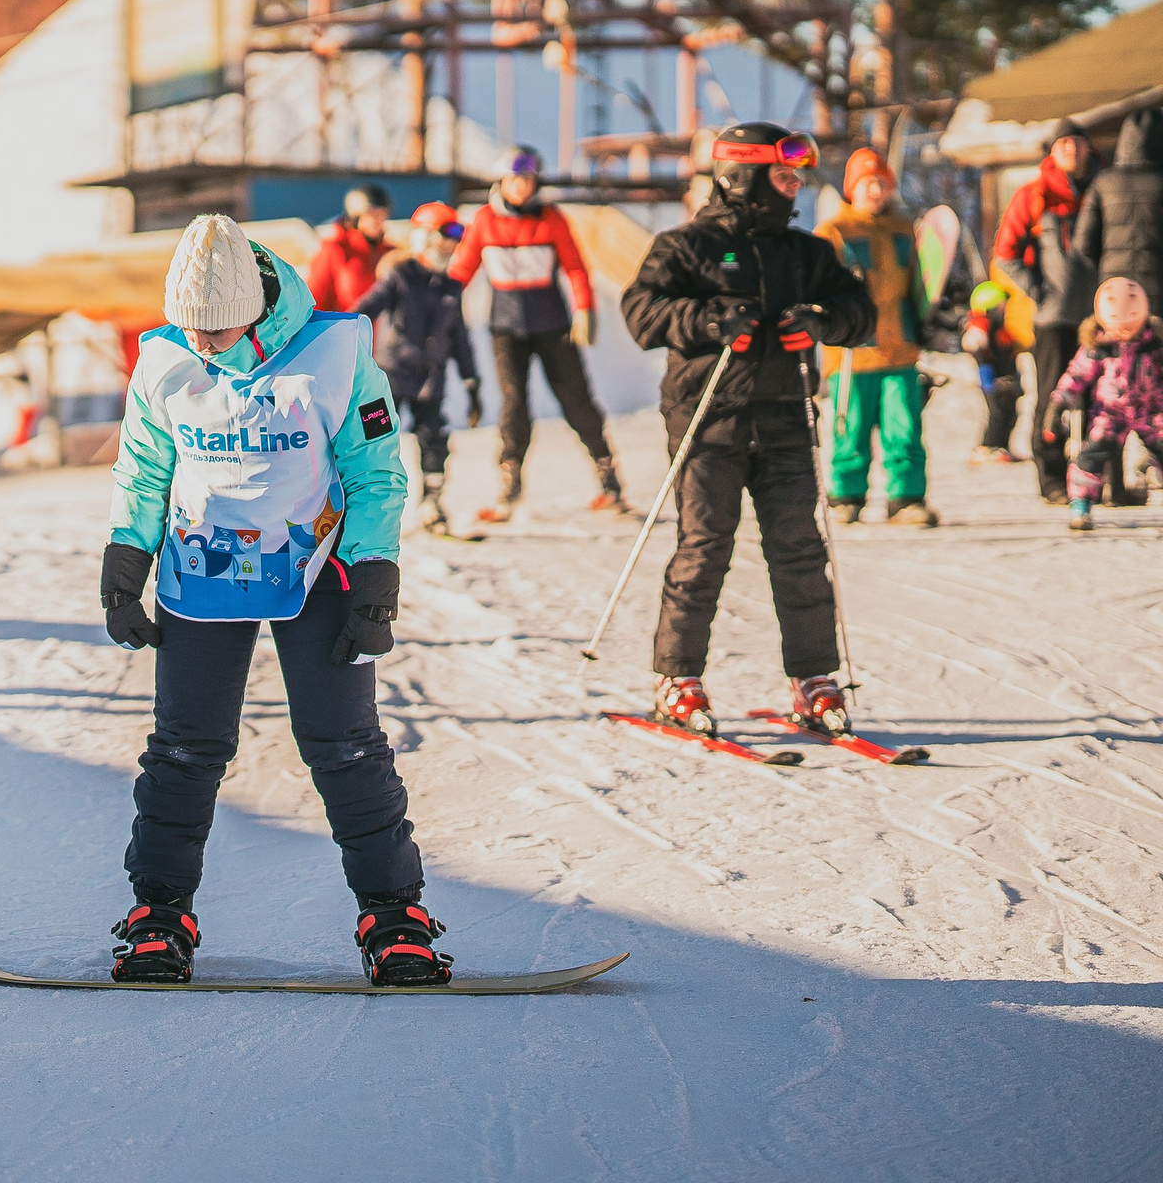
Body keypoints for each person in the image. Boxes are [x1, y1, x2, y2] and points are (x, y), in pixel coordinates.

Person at [100, 214, 446, 987]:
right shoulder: (162, 360)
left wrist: (375, 576)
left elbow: (375, 470)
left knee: (345, 742)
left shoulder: (335, 350)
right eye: (190, 327)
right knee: (185, 746)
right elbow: (143, 467)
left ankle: (394, 915)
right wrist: (127, 557)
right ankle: (160, 913)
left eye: (217, 329)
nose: (202, 344)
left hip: (316, 568)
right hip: (203, 565)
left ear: (255, 308)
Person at [618, 122, 877, 737]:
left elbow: (859, 313)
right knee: (705, 545)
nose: (794, 189)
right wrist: (709, 317)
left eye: (796, 179)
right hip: (709, 418)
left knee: (799, 550)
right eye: (783, 177)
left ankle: (814, 678)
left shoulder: (809, 253)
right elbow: (641, 310)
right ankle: (677, 677)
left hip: (786, 414)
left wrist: (821, 320)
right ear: (743, 176)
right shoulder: (685, 246)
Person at [447, 149, 627, 521]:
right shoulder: (484, 221)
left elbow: (576, 267)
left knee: (576, 398)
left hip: (553, 326)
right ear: (501, 183)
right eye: (515, 180)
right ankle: (509, 478)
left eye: (528, 181)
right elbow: (461, 271)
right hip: (506, 329)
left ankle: (608, 474)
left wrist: (585, 310)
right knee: (514, 403)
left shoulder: (552, 219)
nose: (522, 188)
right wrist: (438, 306)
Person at [814, 149, 937, 527]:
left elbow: (921, 282)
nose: (875, 191)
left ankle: (905, 497)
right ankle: (846, 495)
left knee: (904, 427)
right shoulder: (834, 232)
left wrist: (929, 317)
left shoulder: (904, 229)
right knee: (849, 427)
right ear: (852, 187)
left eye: (882, 183)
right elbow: (818, 286)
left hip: (899, 346)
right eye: (868, 183)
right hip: (852, 350)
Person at [356, 200, 483, 536]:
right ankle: (364, 511)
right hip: (390, 378)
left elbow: (459, 336)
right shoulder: (400, 277)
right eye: (444, 238)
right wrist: (334, 334)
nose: (450, 247)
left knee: (433, 439)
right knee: (375, 440)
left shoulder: (452, 287)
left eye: (454, 241)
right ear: (423, 238)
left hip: (430, 380)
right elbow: (363, 309)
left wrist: (472, 380)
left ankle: (432, 505)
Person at [993, 123, 1094, 503]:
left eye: (1077, 141)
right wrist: (1040, 291)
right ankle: (1051, 478)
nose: (1071, 148)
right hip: (1053, 319)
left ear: (1087, 147)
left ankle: (1092, 475)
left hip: (1101, 318)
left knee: (1102, 400)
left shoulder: (1102, 187)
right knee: (1053, 397)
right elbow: (1005, 254)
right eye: (1063, 142)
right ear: (1052, 150)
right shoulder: (1034, 194)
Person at [1047, 277, 1163, 533]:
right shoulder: (1098, 346)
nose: (1122, 334)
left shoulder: (1155, 343)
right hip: (1110, 413)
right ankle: (1081, 504)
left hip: (1152, 412)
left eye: (1129, 326)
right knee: (1090, 456)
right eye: (1117, 328)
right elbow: (1076, 375)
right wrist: (1059, 403)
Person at [1069, 106, 1163, 319]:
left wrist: (1107, 269)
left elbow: (1082, 245)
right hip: (1159, 295)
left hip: (1114, 295)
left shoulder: (1104, 182)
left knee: (1117, 352)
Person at [963, 283, 1026, 464]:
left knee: (1011, 413)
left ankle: (1002, 446)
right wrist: (977, 341)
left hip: (1008, 380)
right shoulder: (981, 324)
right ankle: (987, 446)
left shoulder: (1002, 329)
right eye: (1000, 305)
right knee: (997, 413)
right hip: (992, 379)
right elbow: (973, 340)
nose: (1004, 309)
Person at [306, 184, 391, 312]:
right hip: (347, 328)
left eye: (383, 214)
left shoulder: (389, 252)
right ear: (355, 216)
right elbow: (314, 301)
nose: (378, 221)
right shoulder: (335, 250)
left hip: (381, 331)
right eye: (372, 214)